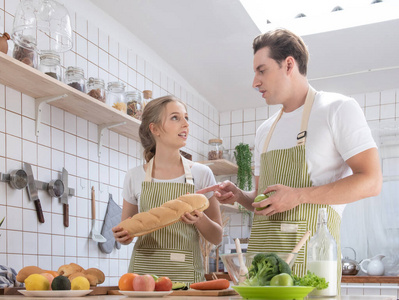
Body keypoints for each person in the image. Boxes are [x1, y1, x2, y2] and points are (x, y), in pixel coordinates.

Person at [197, 28, 382, 290]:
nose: (254, 82)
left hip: (311, 267)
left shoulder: (337, 109)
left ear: (288, 65)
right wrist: (239, 195)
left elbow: (371, 182)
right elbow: (262, 201)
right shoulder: (265, 130)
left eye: (262, 70)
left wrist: (299, 195)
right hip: (260, 273)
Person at [113, 95, 223, 283]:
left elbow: (217, 237)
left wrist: (200, 219)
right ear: (154, 129)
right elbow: (127, 231)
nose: (185, 124)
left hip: (186, 275)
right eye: (175, 117)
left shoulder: (202, 173)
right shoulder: (134, 176)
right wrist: (122, 236)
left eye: (186, 118)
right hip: (143, 278)